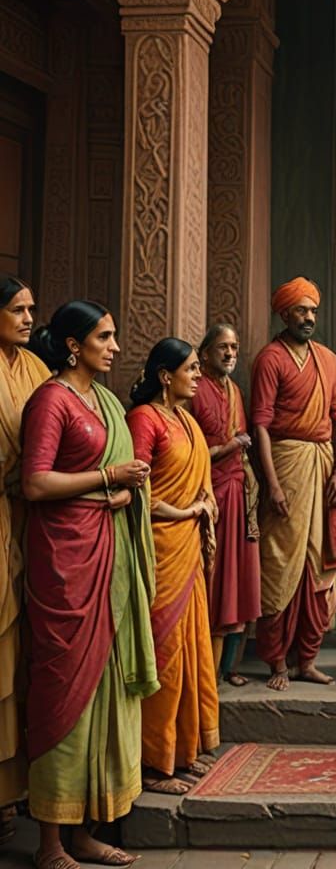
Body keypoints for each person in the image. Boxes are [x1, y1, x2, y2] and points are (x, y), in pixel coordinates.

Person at [22, 300, 157, 869]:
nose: (116, 347)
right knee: (63, 694)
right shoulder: (52, 400)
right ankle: (49, 843)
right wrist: (108, 479)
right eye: (104, 337)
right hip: (65, 563)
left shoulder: (103, 401)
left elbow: (124, 477)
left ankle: (86, 832)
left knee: (105, 689)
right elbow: (34, 483)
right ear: (74, 344)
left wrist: (125, 492)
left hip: (109, 553)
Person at [250, 277, 336, 691]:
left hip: (325, 464)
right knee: (280, 561)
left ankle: (307, 659)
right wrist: (271, 483)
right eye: (301, 311)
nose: (309, 318)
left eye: (313, 311)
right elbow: (259, 425)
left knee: (320, 562)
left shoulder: (328, 358)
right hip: (286, 462)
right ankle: (277, 661)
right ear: (284, 313)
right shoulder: (269, 359)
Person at [127, 339, 220, 795]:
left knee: (192, 649)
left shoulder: (186, 419)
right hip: (162, 548)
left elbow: (201, 480)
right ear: (165, 375)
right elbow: (136, 493)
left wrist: (204, 502)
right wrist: (186, 513)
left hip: (188, 548)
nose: (199, 376)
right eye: (191, 368)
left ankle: (183, 752)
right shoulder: (145, 418)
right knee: (163, 654)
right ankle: (152, 763)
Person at [0, 277, 49, 843]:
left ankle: (15, 786)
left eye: (32, 309)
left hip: (31, 523)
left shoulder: (37, 372)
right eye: (16, 309)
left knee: (22, 652)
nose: (28, 317)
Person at [191, 324, 260, 686]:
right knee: (215, 577)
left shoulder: (234, 390)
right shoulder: (194, 390)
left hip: (238, 491)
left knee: (240, 577)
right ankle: (206, 669)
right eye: (223, 347)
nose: (231, 353)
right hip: (209, 494)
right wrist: (231, 446)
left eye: (234, 347)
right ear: (204, 354)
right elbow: (191, 448)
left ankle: (229, 666)